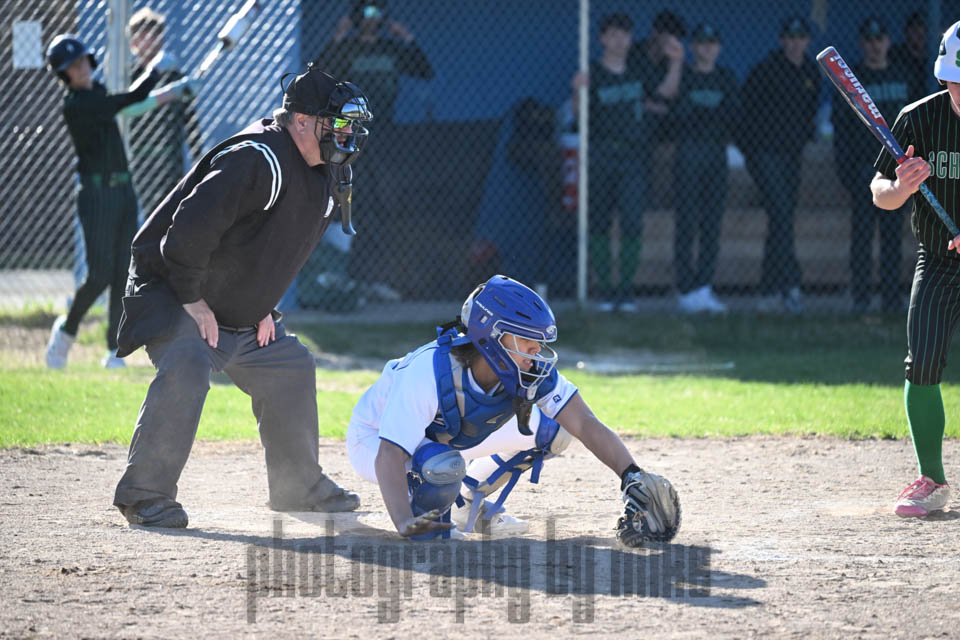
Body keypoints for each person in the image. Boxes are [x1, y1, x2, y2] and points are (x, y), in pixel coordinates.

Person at [110, 65, 372, 528]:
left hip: (228, 304)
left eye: (350, 126)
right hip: (173, 289)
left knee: (290, 367)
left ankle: (297, 486)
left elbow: (277, 247)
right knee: (187, 364)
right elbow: (184, 233)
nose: (346, 134)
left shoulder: (325, 171)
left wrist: (264, 305)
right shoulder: (257, 159)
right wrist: (192, 299)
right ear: (302, 121)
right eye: (337, 123)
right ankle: (145, 495)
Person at [346, 275, 681, 544]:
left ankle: (468, 503)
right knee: (440, 465)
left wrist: (630, 473)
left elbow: (583, 422)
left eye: (539, 342)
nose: (536, 351)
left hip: (447, 438)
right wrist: (404, 521)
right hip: (374, 440)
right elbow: (390, 453)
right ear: (492, 336)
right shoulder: (430, 372)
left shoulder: (524, 369)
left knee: (555, 429)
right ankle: (430, 518)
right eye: (526, 340)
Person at [43, 34, 194, 370]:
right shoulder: (76, 105)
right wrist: (156, 71)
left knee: (123, 272)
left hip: (124, 191)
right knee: (99, 275)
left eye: (82, 61)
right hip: (96, 196)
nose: (81, 68)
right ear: (63, 74)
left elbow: (133, 105)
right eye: (72, 66)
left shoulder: (97, 93)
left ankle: (114, 349)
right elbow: (133, 98)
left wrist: (172, 91)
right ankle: (66, 332)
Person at [871, 21, 960, 518]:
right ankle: (932, 479)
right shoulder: (917, 119)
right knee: (922, 362)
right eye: (957, 82)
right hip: (939, 259)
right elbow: (878, 192)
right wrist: (902, 188)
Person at [311, 0, 434, 302]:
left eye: (377, 12)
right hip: (351, 134)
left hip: (383, 134)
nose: (372, 18)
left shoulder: (391, 49)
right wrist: (337, 38)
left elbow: (424, 71)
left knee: (380, 202)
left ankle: (374, 277)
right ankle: (343, 274)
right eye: (366, 12)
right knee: (349, 196)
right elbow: (320, 75)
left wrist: (408, 38)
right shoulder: (348, 48)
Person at [572, 12, 682, 312]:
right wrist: (577, 91)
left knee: (632, 221)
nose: (620, 40)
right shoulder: (593, 73)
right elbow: (580, 117)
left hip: (633, 157)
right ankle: (606, 291)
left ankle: (626, 290)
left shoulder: (638, 69)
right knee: (599, 221)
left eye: (625, 34)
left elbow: (665, 92)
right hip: (602, 154)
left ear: (631, 38)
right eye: (613, 34)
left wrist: (676, 62)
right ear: (602, 39)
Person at [739, 16, 820, 313]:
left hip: (791, 155)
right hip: (764, 153)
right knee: (782, 213)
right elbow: (744, 112)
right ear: (781, 40)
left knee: (780, 218)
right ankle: (791, 283)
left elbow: (810, 113)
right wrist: (749, 151)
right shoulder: (765, 70)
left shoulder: (811, 70)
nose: (795, 43)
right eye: (790, 37)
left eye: (800, 38)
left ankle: (769, 288)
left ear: (807, 41)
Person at [832, 18, 909, 313]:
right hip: (863, 168)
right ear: (862, 43)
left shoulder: (903, 76)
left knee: (892, 236)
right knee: (862, 235)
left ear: (888, 42)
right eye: (869, 40)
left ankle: (891, 300)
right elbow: (841, 131)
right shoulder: (853, 80)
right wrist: (847, 173)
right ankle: (861, 299)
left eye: (880, 39)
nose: (875, 45)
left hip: (896, 171)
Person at [672, 24, 740, 314]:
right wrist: (708, 116)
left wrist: (703, 117)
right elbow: (680, 115)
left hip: (715, 153)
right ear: (693, 47)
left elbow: (732, 114)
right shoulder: (685, 75)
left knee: (711, 221)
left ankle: (704, 287)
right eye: (701, 43)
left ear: (719, 47)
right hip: (688, 152)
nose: (707, 48)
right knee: (687, 221)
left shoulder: (725, 77)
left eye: (712, 43)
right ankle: (685, 288)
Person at [126, 7, 204, 218]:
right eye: (143, 35)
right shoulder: (127, 78)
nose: (150, 40)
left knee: (168, 216)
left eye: (155, 34)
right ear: (133, 43)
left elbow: (190, 121)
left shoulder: (175, 78)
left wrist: (198, 158)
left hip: (169, 159)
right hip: (137, 159)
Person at [890, 11, 930, 103]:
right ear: (907, 32)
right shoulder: (897, 55)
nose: (919, 32)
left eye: (922, 29)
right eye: (914, 30)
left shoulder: (933, 54)